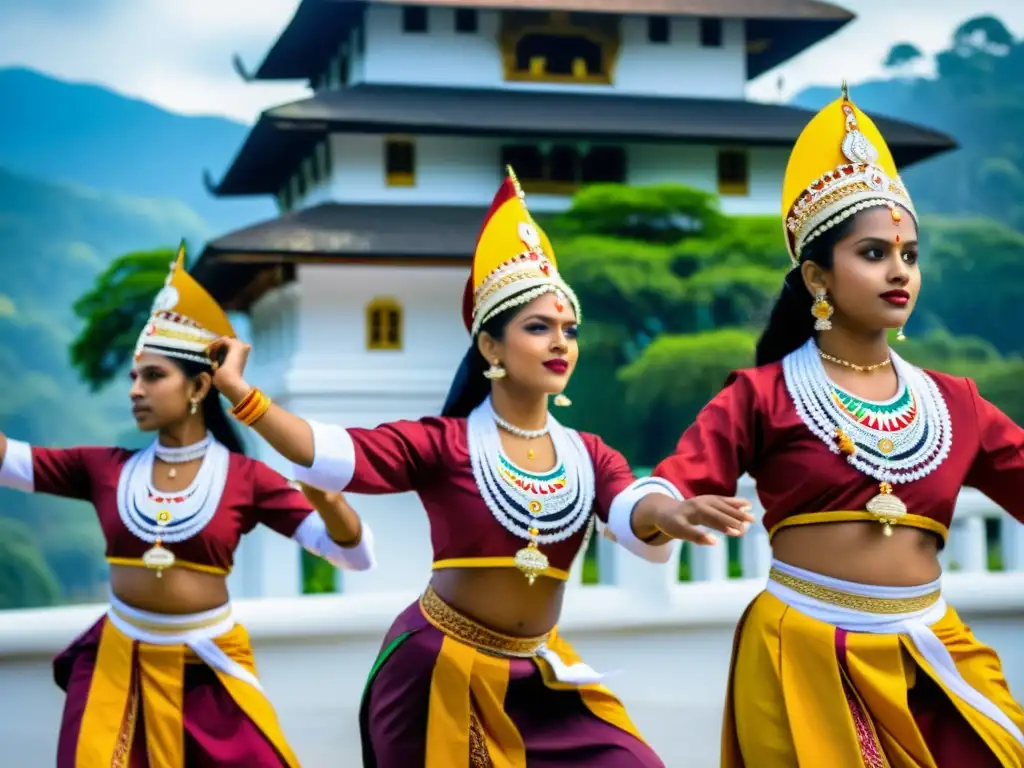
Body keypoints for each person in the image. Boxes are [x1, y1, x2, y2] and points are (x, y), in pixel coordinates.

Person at [207, 168, 755, 767]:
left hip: (541, 675)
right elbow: (335, 452)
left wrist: (671, 510)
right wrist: (242, 394)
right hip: (437, 669)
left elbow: (628, 507)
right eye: (538, 328)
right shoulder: (444, 445)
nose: (560, 344)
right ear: (491, 347)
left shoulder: (587, 453)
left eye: (568, 330)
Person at [644, 84, 1024, 766]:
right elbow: (669, 487)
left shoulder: (955, 404)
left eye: (908, 254)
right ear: (818, 277)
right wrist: (666, 511)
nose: (899, 270)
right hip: (803, 652)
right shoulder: (762, 396)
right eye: (874, 253)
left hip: (929, 648)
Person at [0, 243, 376, 768]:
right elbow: (8, 461)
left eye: (153, 376)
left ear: (199, 385)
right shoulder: (105, 467)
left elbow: (354, 557)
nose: (135, 390)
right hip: (116, 664)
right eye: (134, 376)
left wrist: (329, 501)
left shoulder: (246, 479)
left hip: (210, 664)